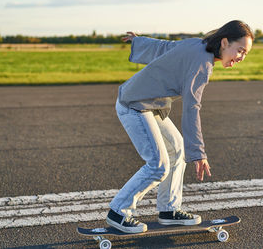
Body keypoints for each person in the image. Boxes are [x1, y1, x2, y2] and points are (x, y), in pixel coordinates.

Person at [106, 20, 254, 233]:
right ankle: (118, 212)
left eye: (245, 54)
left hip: (149, 104)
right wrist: (199, 153)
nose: (241, 57)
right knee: (158, 165)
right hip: (135, 104)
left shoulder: (197, 44)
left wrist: (139, 41)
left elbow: (165, 48)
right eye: (240, 50)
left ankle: (169, 210)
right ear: (224, 42)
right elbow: (192, 108)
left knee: (177, 149)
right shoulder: (202, 64)